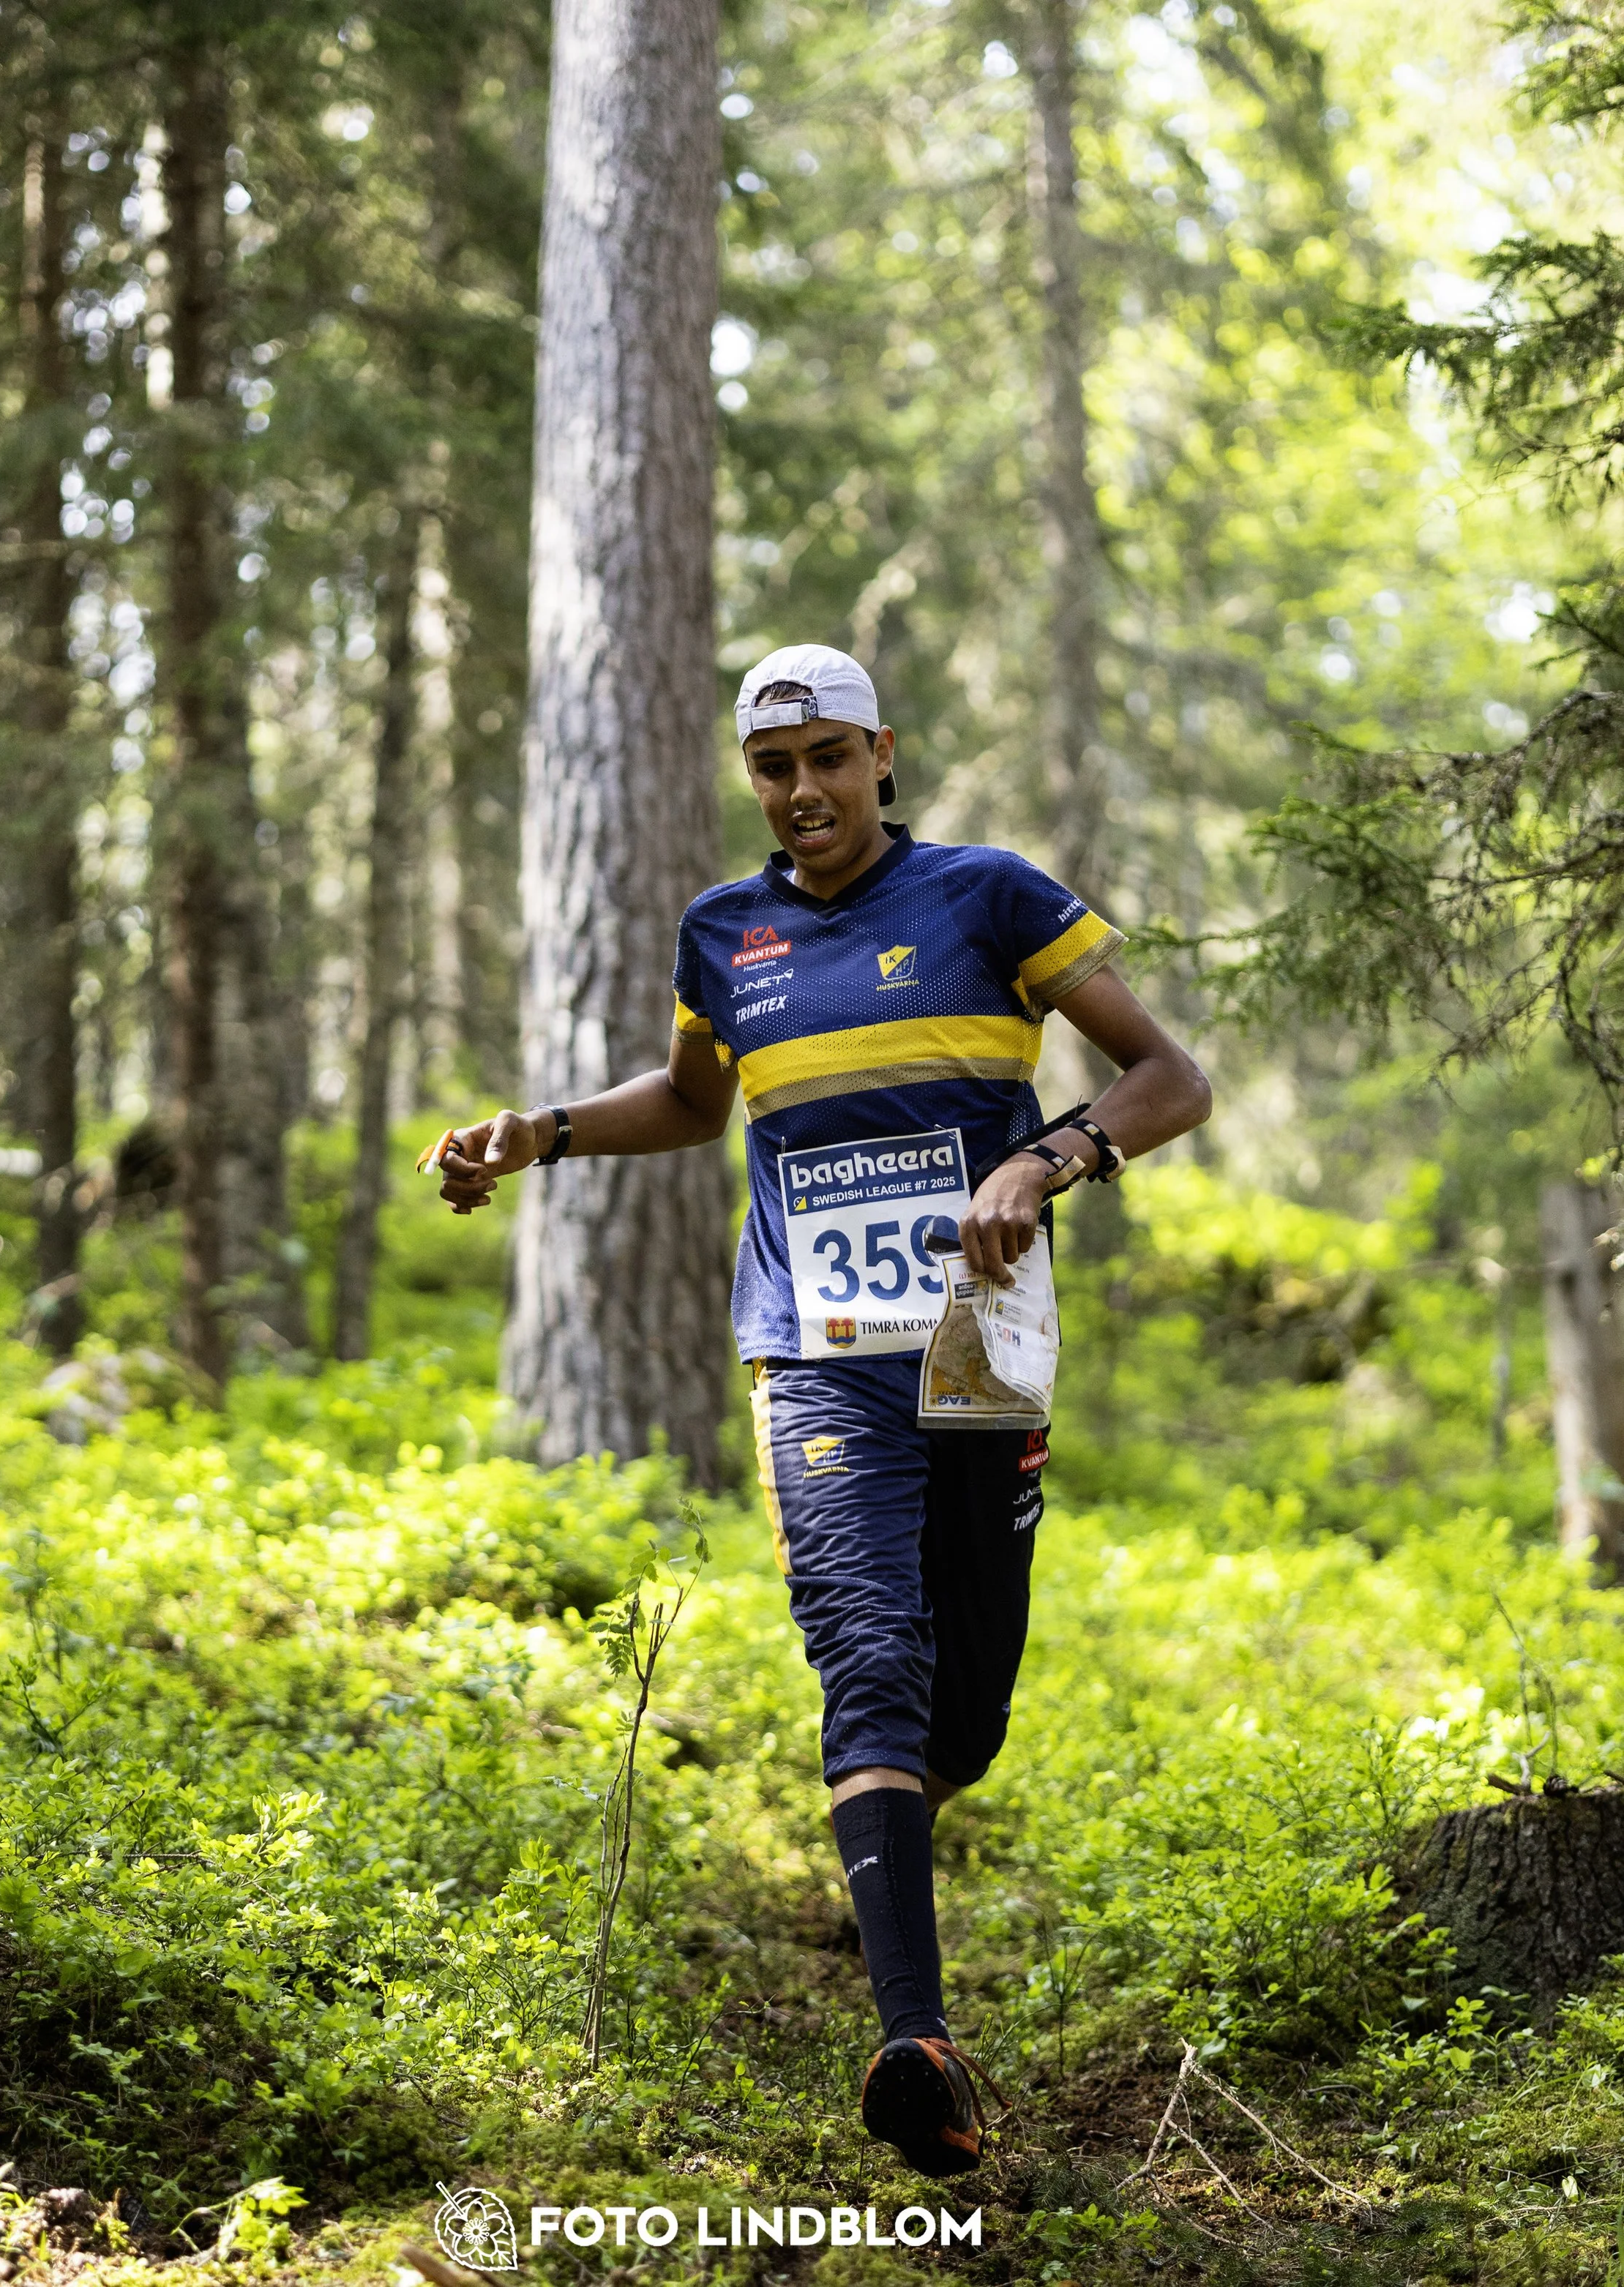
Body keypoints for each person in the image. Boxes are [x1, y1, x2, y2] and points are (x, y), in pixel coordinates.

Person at [434, 643, 1211, 2176]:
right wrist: (541, 1132)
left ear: (881, 756)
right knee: (863, 1639)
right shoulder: (723, 933)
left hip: (977, 1333)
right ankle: (912, 2036)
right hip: (813, 1343)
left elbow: (1166, 1077)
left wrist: (1043, 1162)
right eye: (773, 770)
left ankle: (905, 1862)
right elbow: (693, 1100)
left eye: (829, 760)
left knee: (963, 1703)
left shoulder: (989, 896)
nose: (802, 792)